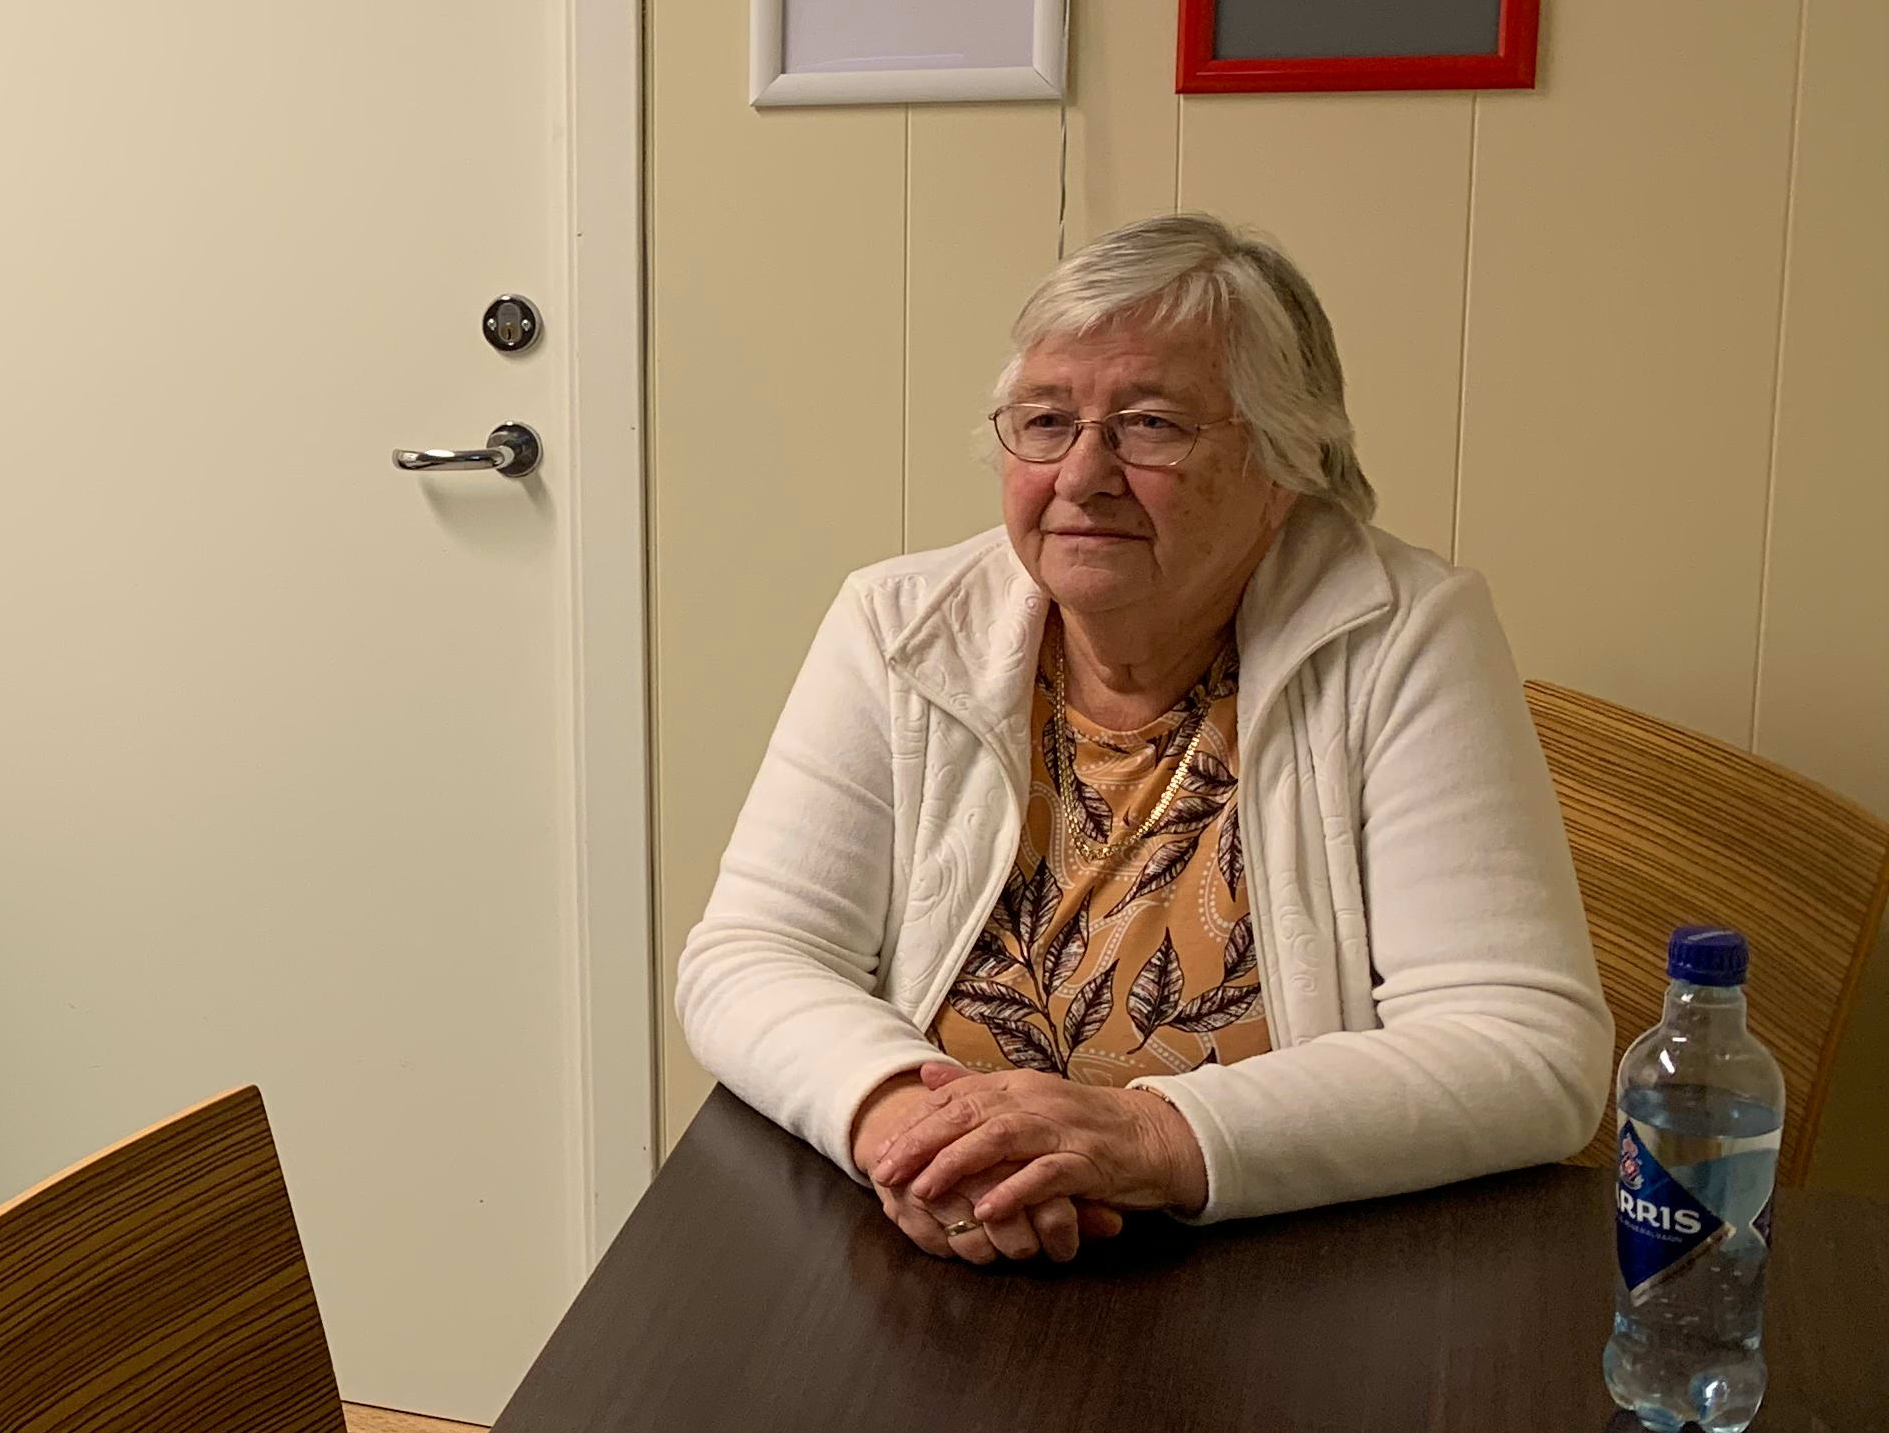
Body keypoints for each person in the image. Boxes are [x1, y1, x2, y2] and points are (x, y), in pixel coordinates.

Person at [675, 213, 1609, 1266]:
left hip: (1275, 1267)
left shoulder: (1401, 634)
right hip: (949, 1240)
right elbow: (751, 956)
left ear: (1286, 461)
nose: (1082, 474)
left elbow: (1526, 1050)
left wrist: (1146, 1137)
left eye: (1151, 425)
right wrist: (913, 1130)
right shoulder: (901, 626)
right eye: (1044, 421)